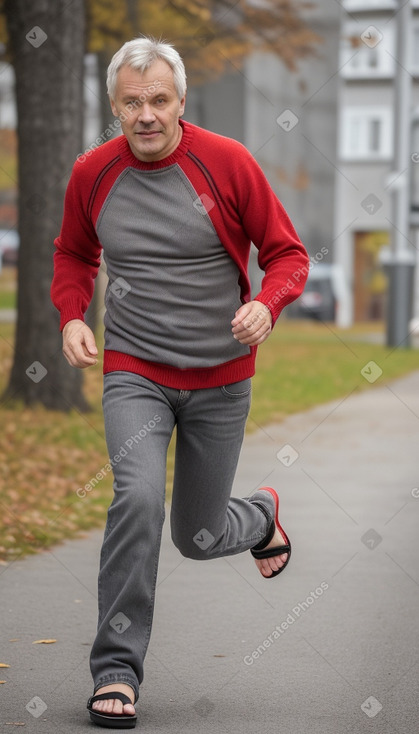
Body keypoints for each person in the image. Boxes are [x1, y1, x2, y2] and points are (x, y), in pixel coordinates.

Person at [51, 36, 309, 729]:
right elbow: (74, 251)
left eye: (158, 99)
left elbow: (285, 252)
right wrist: (72, 315)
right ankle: (115, 672)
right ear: (114, 106)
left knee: (195, 537)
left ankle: (257, 517)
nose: (145, 114)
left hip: (221, 377)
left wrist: (267, 302)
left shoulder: (226, 163)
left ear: (180, 102)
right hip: (135, 368)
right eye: (131, 102)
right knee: (135, 498)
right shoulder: (92, 173)